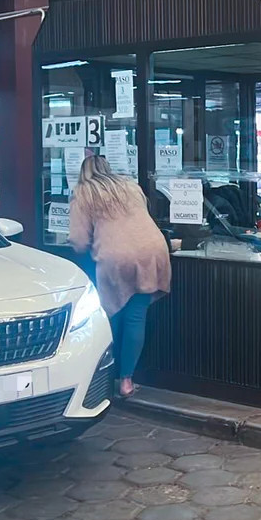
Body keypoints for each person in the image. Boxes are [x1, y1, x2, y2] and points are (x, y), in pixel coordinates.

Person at [69, 155, 171, 398]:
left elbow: (78, 241)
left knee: (108, 317)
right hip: (152, 251)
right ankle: (126, 381)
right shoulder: (130, 186)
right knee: (136, 317)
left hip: (116, 259)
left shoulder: (84, 193)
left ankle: (103, 380)